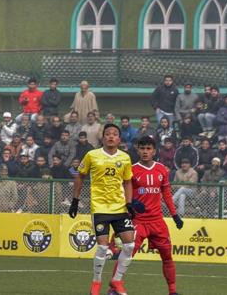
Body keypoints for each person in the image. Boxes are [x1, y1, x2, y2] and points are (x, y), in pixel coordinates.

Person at [108, 136, 183, 295]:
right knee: (126, 255)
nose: (145, 152)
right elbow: (122, 193)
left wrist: (175, 215)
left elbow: (167, 194)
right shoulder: (131, 170)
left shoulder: (162, 169)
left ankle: (173, 291)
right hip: (138, 222)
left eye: (148, 149)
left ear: (154, 151)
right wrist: (131, 204)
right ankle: (113, 288)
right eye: (142, 148)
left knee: (167, 256)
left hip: (157, 221)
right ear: (138, 150)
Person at [68, 124, 136, 295]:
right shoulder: (92, 155)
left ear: (119, 139)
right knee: (103, 248)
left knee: (130, 245)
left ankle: (117, 280)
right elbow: (80, 176)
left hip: (120, 207)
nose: (111, 136)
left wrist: (129, 203)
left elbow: (128, 182)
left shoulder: (125, 158)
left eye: (114, 134)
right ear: (103, 137)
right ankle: (96, 282)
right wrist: (75, 201)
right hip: (100, 208)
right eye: (108, 134)